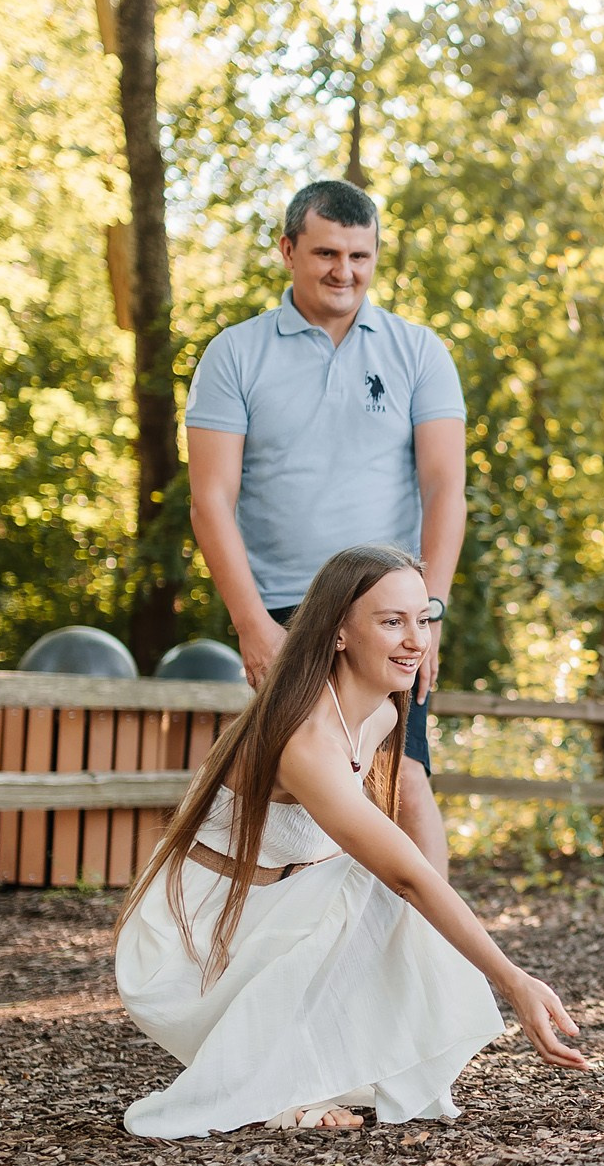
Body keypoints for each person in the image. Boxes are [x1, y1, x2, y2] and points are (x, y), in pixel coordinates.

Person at [115, 544, 585, 1138]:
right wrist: (512, 979)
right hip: (192, 937)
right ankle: (283, 1088)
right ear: (339, 633)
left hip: (271, 901)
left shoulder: (384, 712)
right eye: (391, 622)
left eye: (423, 618)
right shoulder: (307, 738)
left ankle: (318, 1064)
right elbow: (408, 876)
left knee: (372, 883)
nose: (415, 639)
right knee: (379, 883)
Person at [185, 179, 464, 876]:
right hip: (284, 609)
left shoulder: (418, 351)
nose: (345, 271)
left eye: (360, 255)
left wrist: (427, 614)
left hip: (390, 611)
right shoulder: (234, 354)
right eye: (326, 253)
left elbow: (445, 486)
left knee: (403, 782)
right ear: (288, 250)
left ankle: (439, 961)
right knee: (290, 797)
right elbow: (210, 498)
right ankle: (289, 966)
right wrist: (251, 623)